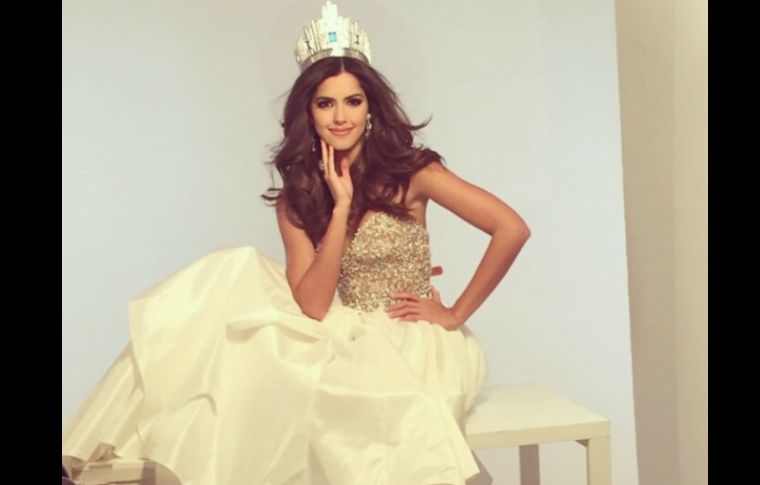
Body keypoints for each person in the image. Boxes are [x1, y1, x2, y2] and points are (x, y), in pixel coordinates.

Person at [62, 2, 530, 484]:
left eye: (353, 101)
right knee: (232, 275)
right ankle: (104, 450)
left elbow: (511, 228)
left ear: (371, 108)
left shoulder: (414, 173)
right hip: (340, 325)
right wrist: (340, 208)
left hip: (412, 340)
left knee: (340, 399)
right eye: (325, 104)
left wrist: (454, 313)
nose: (341, 117)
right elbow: (312, 304)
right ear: (308, 111)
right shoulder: (297, 196)